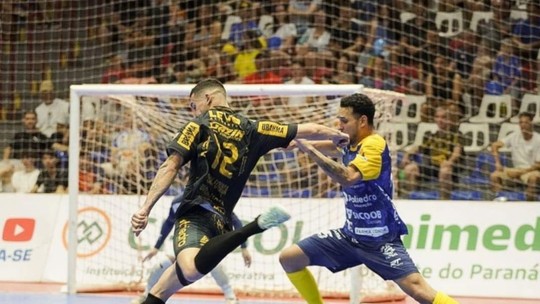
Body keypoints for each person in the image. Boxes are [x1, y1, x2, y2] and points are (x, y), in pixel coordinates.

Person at [130, 78, 349, 304]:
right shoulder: (253, 128)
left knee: (189, 268)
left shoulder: (196, 126)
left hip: (195, 214)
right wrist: (336, 137)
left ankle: (255, 226)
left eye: (193, 106)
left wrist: (145, 208)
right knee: (159, 291)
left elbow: (171, 165)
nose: (193, 113)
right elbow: (307, 132)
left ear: (207, 98)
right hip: (221, 223)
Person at [279, 93, 458, 304]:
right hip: (350, 236)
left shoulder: (374, 144)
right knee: (289, 258)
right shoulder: (350, 142)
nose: (339, 125)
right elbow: (333, 145)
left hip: (379, 241)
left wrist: (308, 148)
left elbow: (348, 177)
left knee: (419, 291)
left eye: (344, 121)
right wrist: (295, 142)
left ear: (362, 121)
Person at [132, 197, 251, 304]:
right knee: (162, 265)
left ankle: (230, 297)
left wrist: (244, 247)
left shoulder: (213, 199)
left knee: (215, 267)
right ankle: (146, 294)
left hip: (208, 244)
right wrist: (156, 247)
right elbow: (168, 223)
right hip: (184, 245)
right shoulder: (177, 203)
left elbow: (235, 222)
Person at [401, 106, 464, 200]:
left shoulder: (456, 135)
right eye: (437, 117)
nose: (440, 120)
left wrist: (449, 162)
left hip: (450, 168)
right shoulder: (432, 136)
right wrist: (406, 156)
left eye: (443, 117)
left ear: (449, 119)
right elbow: (417, 148)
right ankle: (412, 198)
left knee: (445, 170)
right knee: (410, 168)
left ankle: (444, 200)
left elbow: (457, 152)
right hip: (433, 167)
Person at [490, 112, 540, 201]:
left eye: (525, 122)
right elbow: (495, 145)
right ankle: (499, 201)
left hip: (531, 171)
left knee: (533, 178)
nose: (523, 125)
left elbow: (537, 165)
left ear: (531, 123)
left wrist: (520, 172)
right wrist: (497, 163)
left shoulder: (538, 139)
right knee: (494, 175)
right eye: (521, 122)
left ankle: (530, 204)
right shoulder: (514, 136)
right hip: (515, 169)